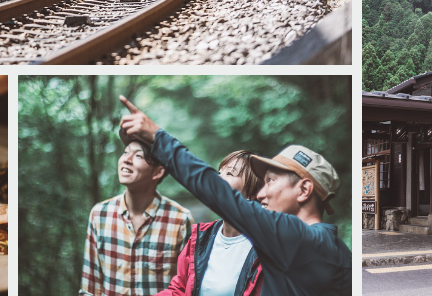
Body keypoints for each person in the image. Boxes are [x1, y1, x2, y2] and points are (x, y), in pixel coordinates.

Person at [119, 96, 350, 296]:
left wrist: (157, 137)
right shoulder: (341, 254)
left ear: (304, 190)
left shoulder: (293, 237)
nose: (261, 192)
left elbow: (215, 192)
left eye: (270, 180)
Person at [81, 138, 194, 296]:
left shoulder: (180, 220)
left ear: (158, 172)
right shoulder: (100, 214)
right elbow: (90, 286)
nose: (126, 159)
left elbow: (187, 287)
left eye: (138, 156)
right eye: (126, 152)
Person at [157, 150, 264, 296]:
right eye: (219, 172)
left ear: (252, 193)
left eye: (230, 173)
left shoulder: (267, 248)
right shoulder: (201, 238)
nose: (217, 178)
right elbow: (179, 289)